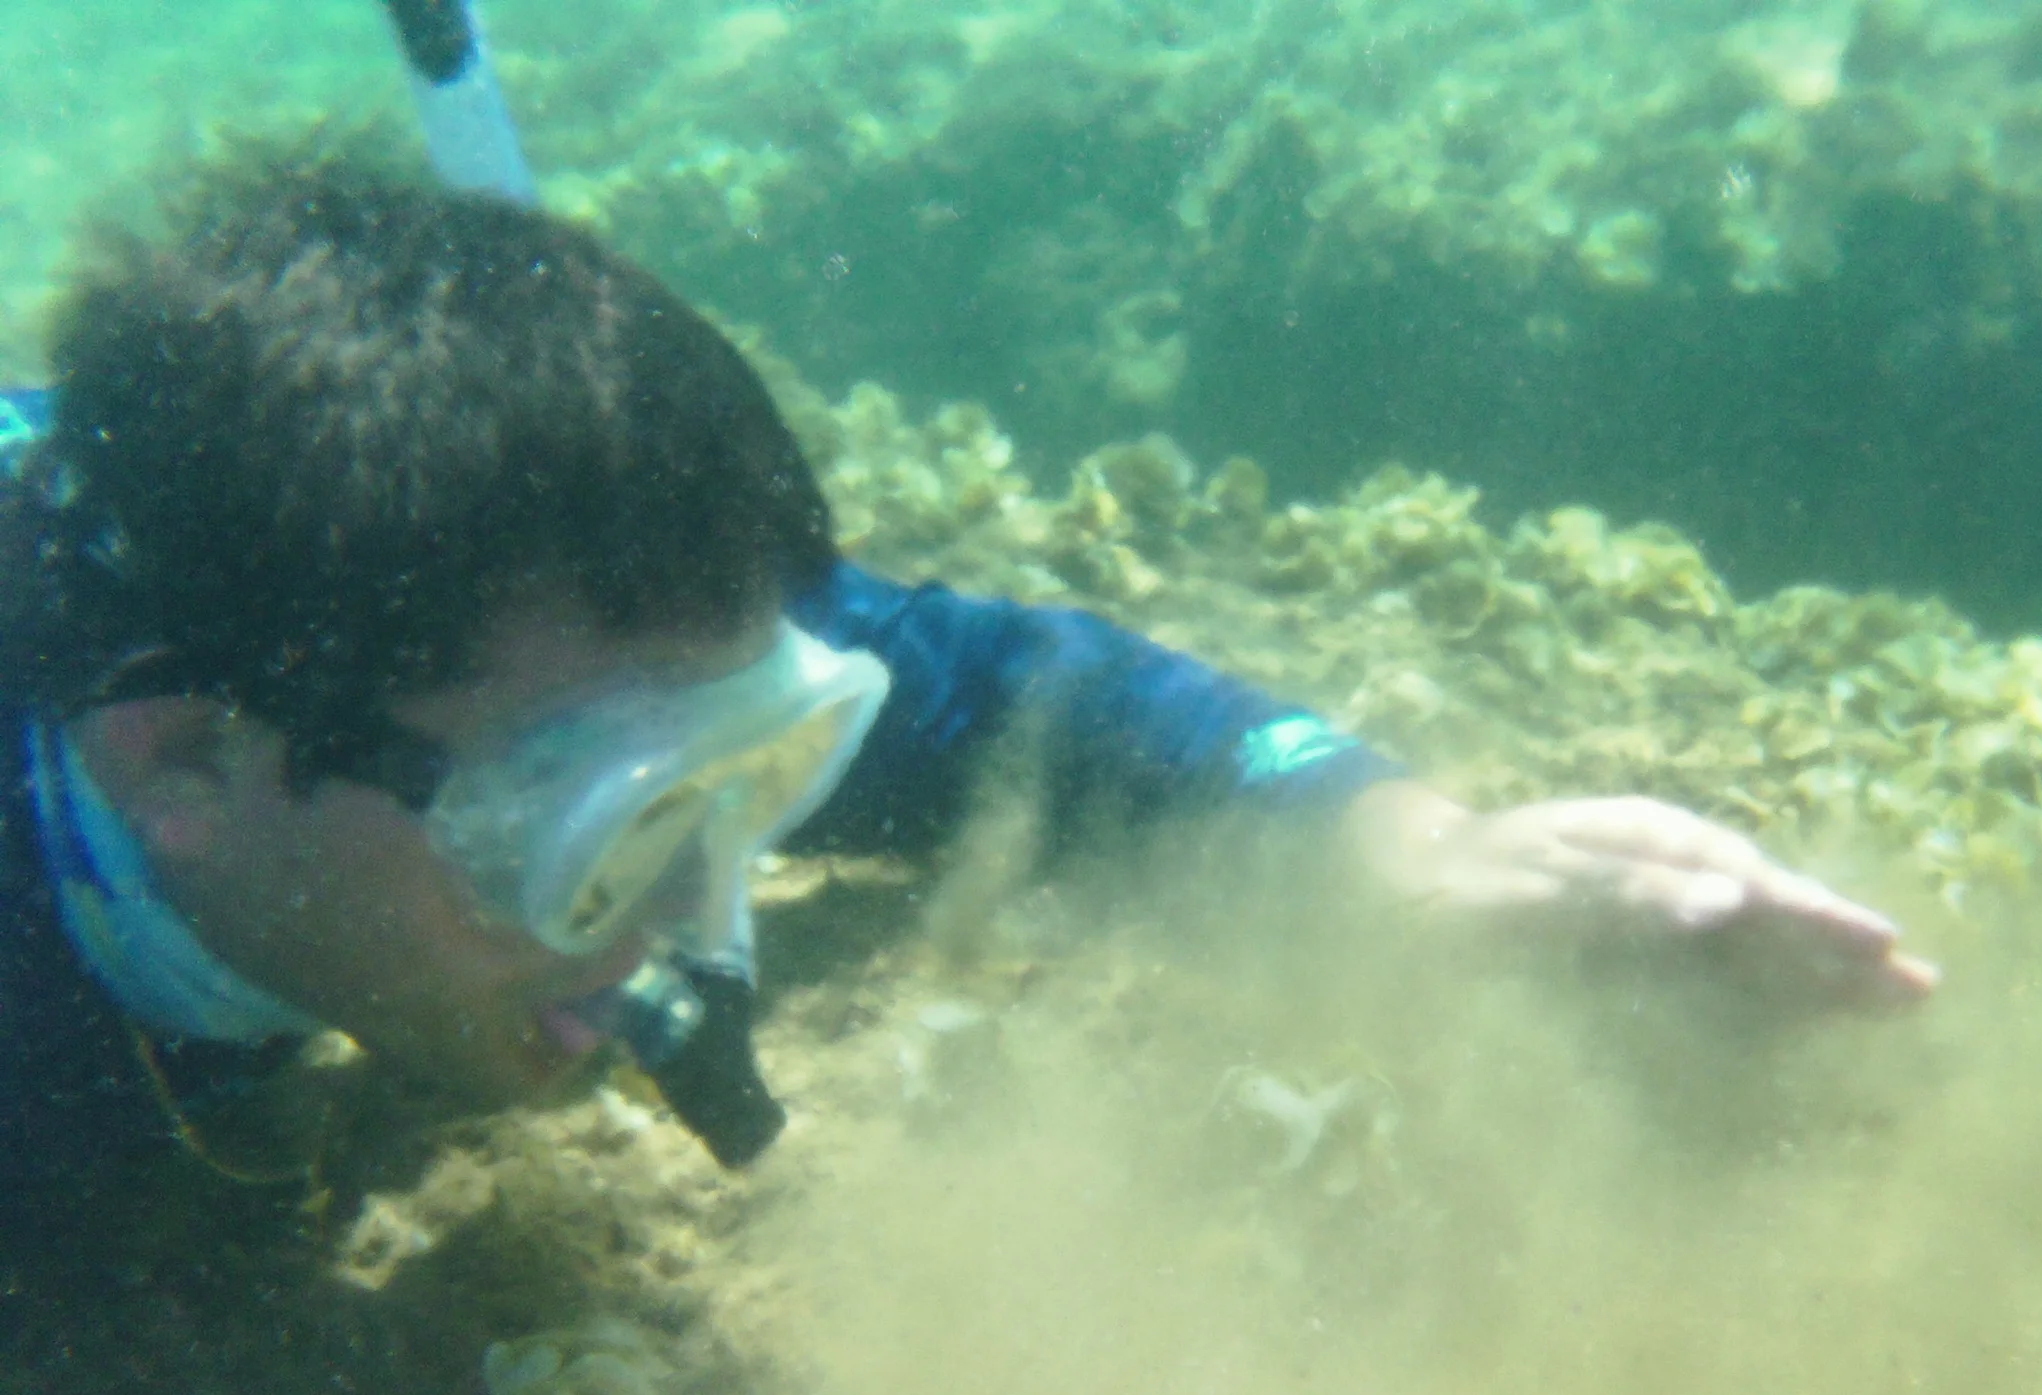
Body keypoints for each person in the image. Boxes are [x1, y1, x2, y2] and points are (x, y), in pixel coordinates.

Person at [0, 157, 1932, 1201]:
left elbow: (1023, 698)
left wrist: (1410, 855)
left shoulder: (527, 650)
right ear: (184, 762)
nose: (694, 912)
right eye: (580, 834)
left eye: (756, 762)